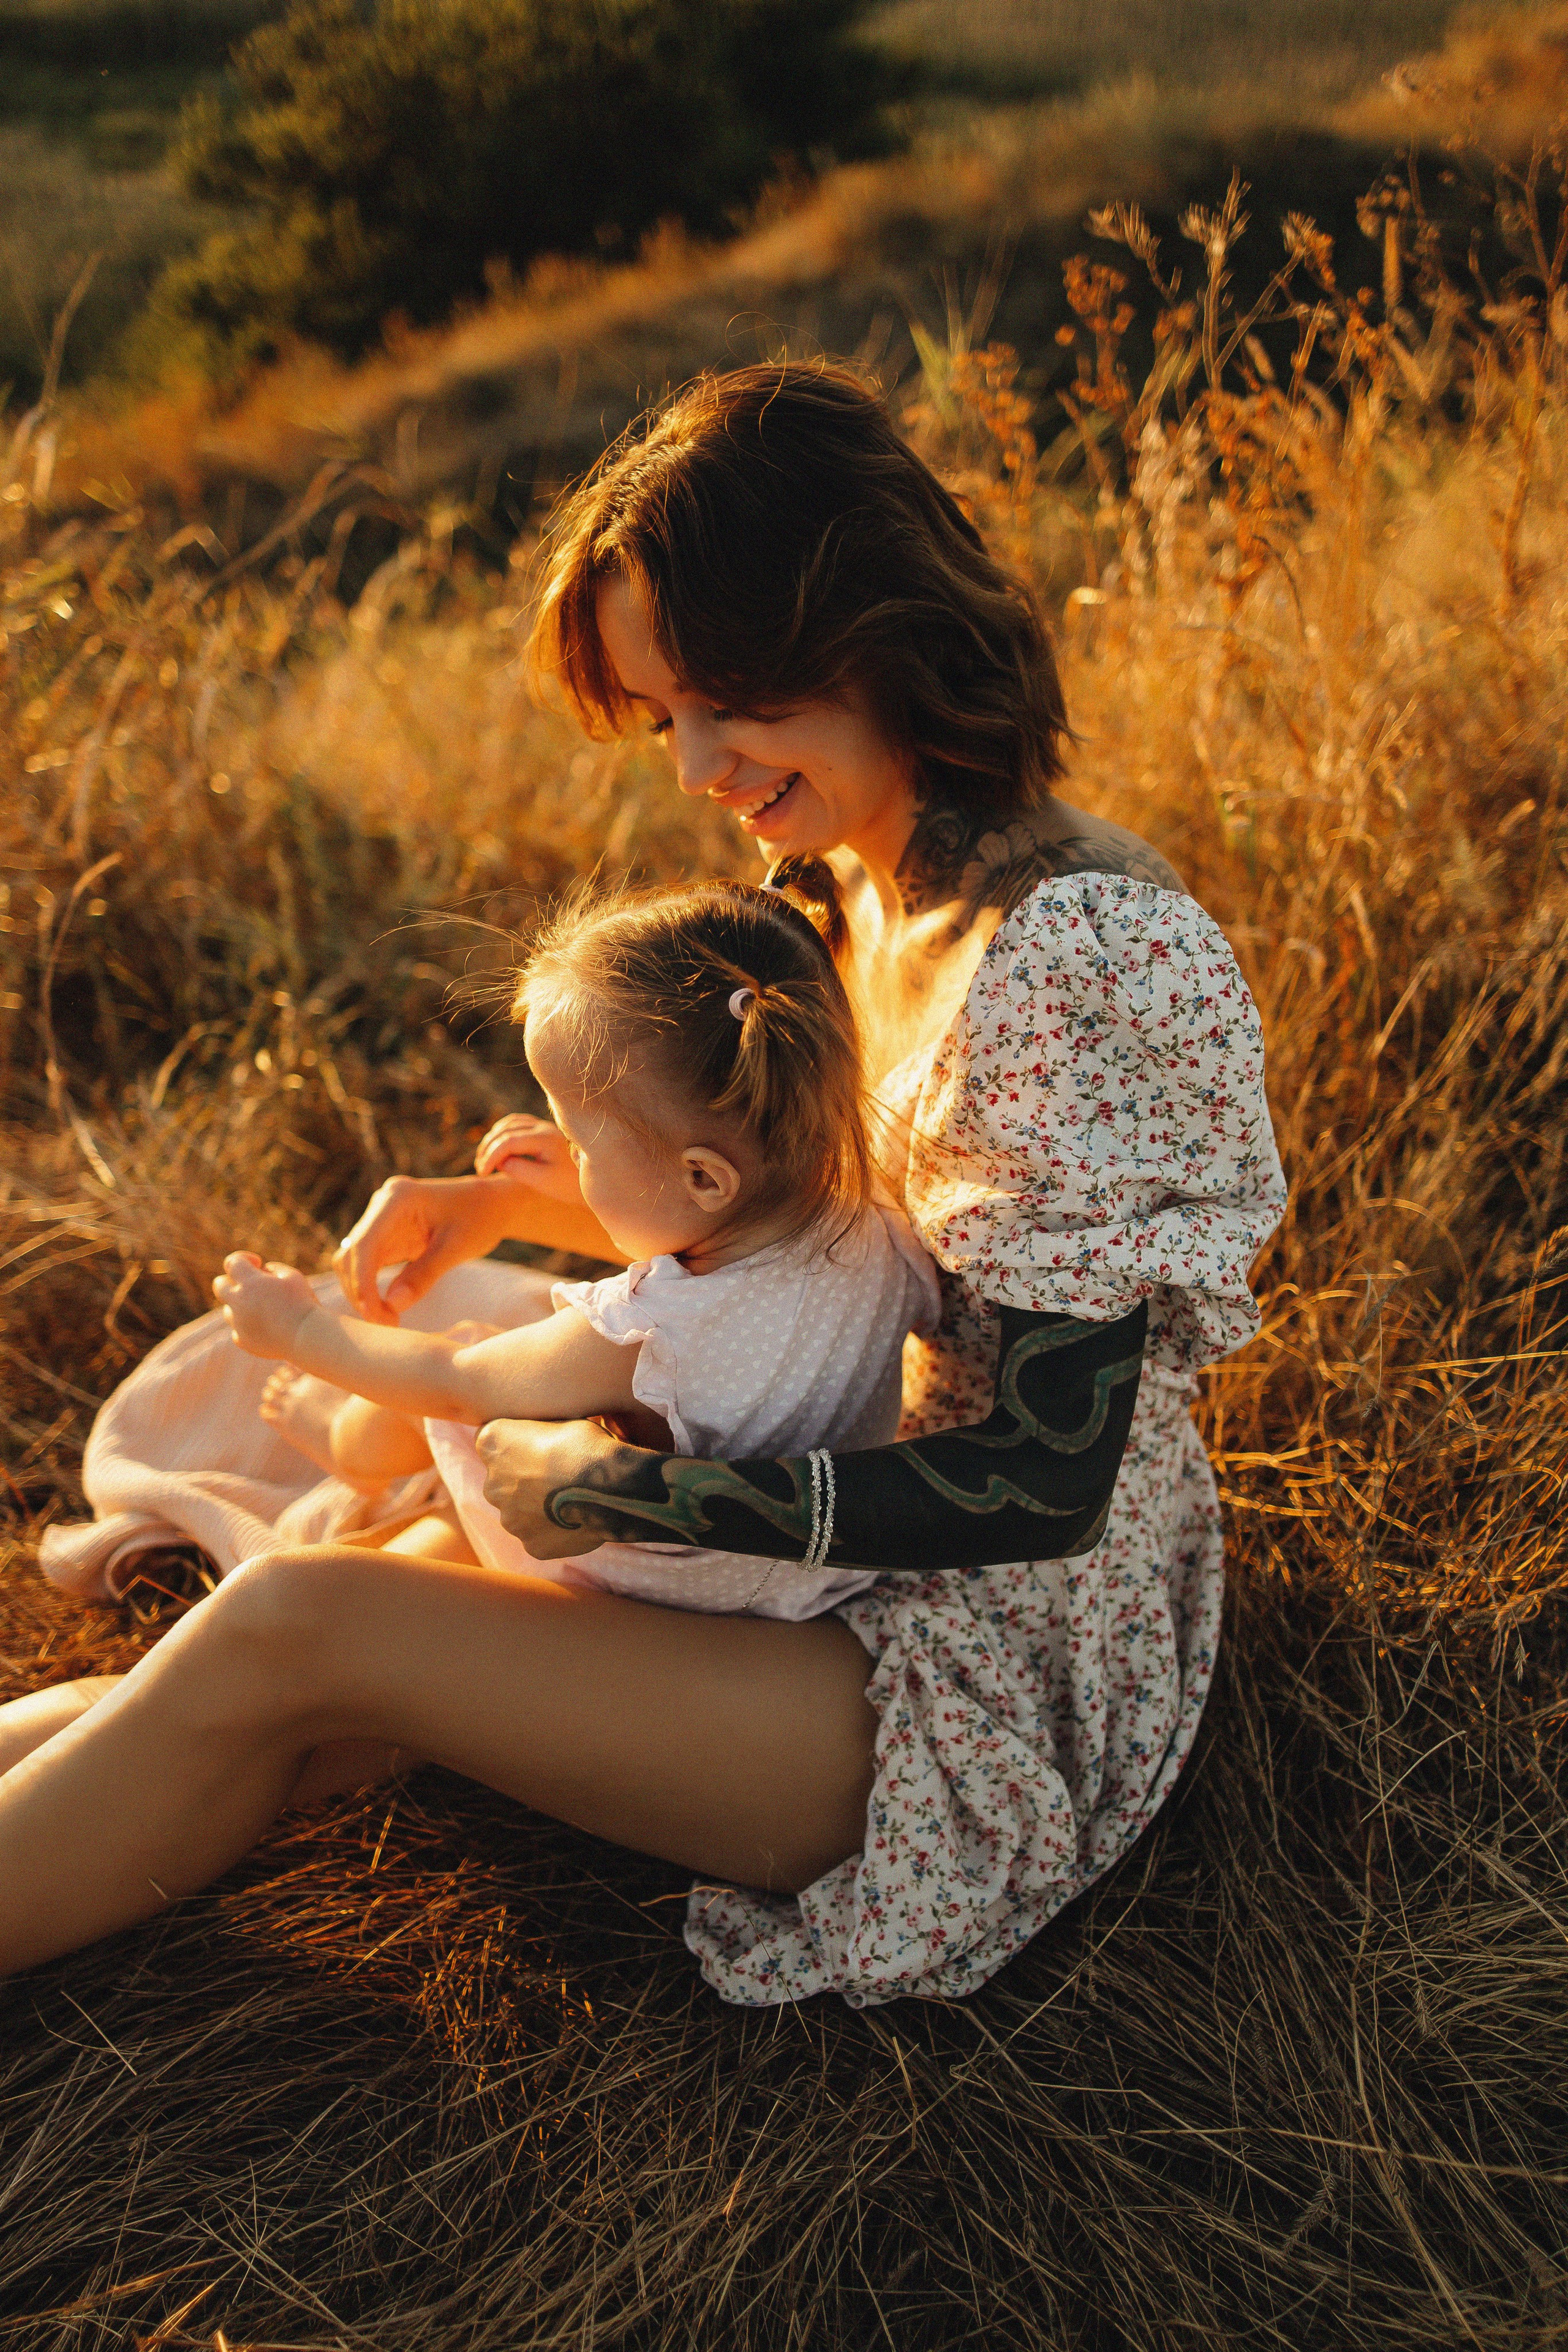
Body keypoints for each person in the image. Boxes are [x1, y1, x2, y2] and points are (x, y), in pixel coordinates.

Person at [0, 361, 1285, 2002]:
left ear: (863, 625)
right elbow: (790, 1216)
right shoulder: (837, 883)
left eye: (720, 702)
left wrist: (627, 1497)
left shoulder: (1080, 954)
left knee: (304, 1621)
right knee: (297, 1651)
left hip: (969, 1665)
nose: (693, 765)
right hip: (807, 1521)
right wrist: (505, 1204)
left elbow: (1042, 1480)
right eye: (663, 715)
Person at [213, 877, 939, 1619]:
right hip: (792, 1583)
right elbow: (741, 1281)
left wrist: (296, 1329)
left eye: (581, 1141)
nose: (570, 1155)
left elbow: (455, 1382)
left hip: (627, 1586)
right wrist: (588, 1168)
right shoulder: (881, 1228)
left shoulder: (647, 1334)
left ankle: (348, 1442)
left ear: (702, 1177)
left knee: (469, 1357)